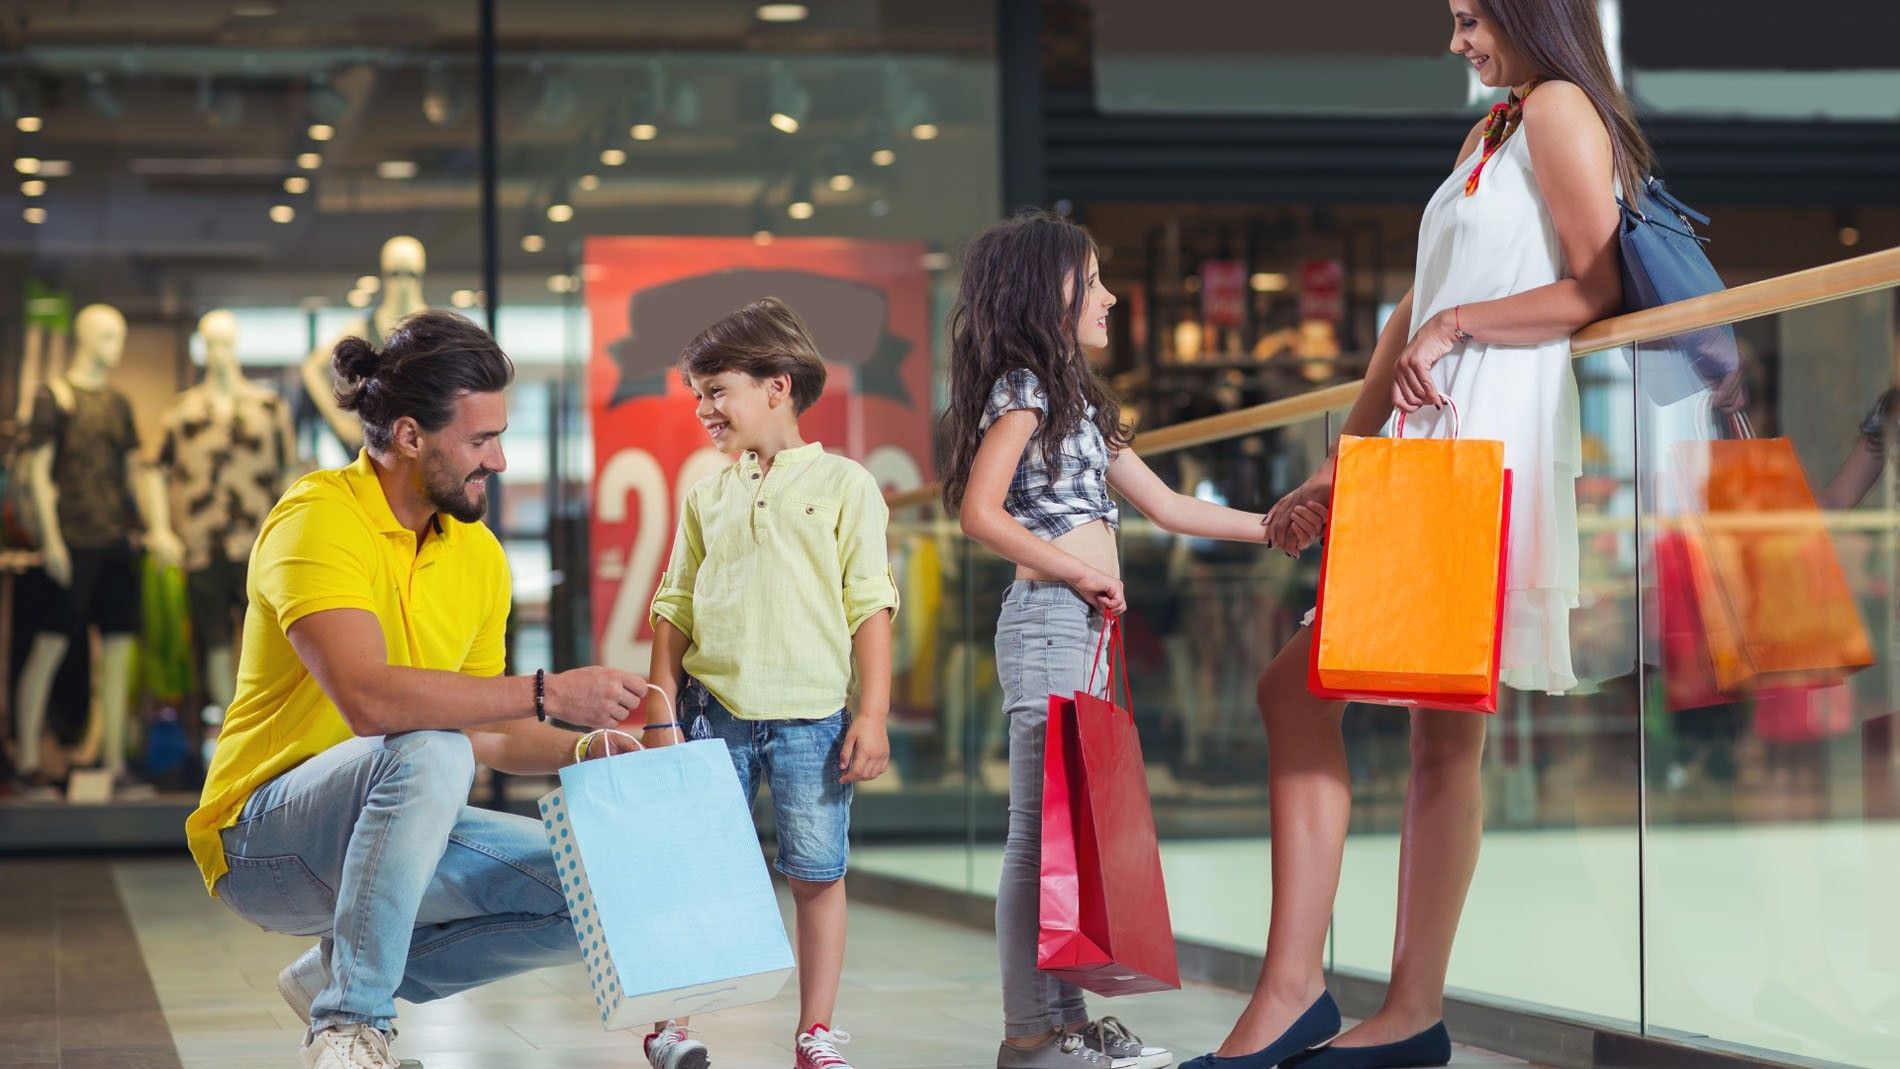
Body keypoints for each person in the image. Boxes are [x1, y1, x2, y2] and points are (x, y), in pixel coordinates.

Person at [1189, 2, 1647, 1066]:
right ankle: (1358, 1001)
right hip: (1426, 454)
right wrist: (1339, 466)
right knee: (1385, 718)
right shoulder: (1493, 129)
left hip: (1477, 454)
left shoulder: (1561, 112)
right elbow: (1409, 313)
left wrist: (1457, 324)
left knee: (1380, 715)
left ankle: (1352, 999)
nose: (1457, 42)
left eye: (1469, 19)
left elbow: (1599, 282)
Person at [183, 310, 649, 1069]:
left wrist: (595, 745)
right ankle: (352, 1022)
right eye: (480, 440)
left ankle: (335, 974)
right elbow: (371, 702)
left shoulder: (479, 555)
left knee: (604, 892)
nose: (497, 459)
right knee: (428, 745)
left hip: (404, 821)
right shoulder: (318, 520)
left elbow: (492, 731)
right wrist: (545, 689)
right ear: (408, 435)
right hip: (264, 841)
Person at [938, 209, 1326, 1069]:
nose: (1111, 295)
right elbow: (977, 511)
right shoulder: (1026, 389)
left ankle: (1065, 1027)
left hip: (1079, 627)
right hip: (1049, 621)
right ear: (1052, 290)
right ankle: (1032, 1036)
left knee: (1063, 834)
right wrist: (1074, 570)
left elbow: (1171, 507)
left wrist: (1274, 525)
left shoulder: (1074, 399)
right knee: (1037, 835)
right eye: (1095, 277)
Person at [640, 297, 900, 1069]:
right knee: (693, 869)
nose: (703, 408)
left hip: (813, 719)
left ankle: (814, 1033)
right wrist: (660, 711)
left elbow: (871, 604)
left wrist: (874, 712)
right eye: (697, 393)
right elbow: (673, 604)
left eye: (717, 390)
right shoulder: (706, 493)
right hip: (710, 713)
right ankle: (670, 1021)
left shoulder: (848, 484)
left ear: (777, 386)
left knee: (816, 875)